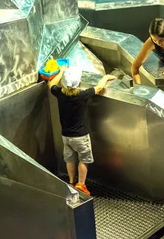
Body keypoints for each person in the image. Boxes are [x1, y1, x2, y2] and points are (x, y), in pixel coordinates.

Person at [48, 66, 116, 195]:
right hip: (81, 136)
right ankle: (81, 184)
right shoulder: (82, 95)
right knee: (83, 160)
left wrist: (61, 72)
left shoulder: (59, 93)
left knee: (70, 159)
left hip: (66, 136)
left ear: (63, 83)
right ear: (79, 83)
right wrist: (106, 77)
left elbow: (50, 84)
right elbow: (99, 88)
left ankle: (71, 181)